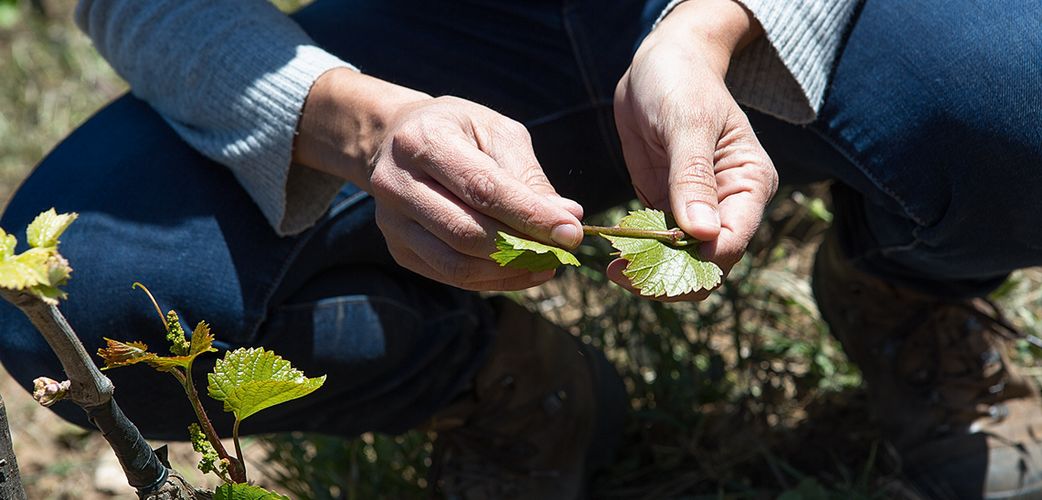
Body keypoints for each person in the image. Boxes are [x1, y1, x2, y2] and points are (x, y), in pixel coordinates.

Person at [1, 0, 1039, 497]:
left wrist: (711, 31)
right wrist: (360, 126)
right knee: (81, 293)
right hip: (402, 40)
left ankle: (907, 290)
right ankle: (506, 384)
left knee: (1014, 86)